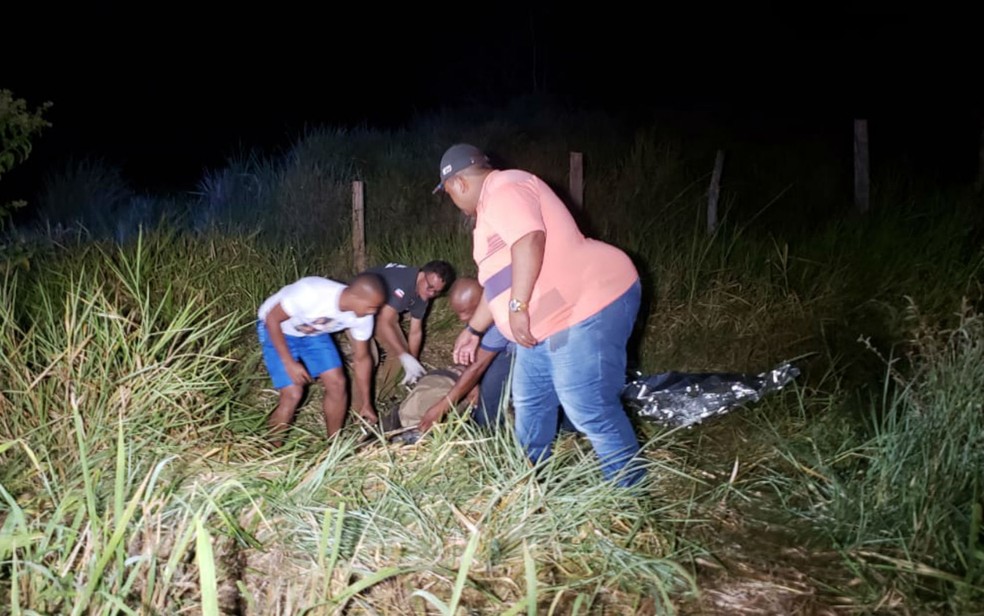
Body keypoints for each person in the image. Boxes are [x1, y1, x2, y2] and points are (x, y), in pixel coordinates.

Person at [433, 143, 646, 487]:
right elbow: (498, 282)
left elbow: (529, 240)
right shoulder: (489, 212)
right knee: (531, 407)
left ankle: (630, 495)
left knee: (586, 404)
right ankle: (532, 487)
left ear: (457, 184)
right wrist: (473, 330)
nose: (453, 201)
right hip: (543, 324)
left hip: (587, 302)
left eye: (448, 194)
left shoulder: (505, 187)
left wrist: (518, 307)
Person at [257, 272, 385, 447]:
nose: (375, 312)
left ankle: (333, 447)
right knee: (293, 393)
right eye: (372, 307)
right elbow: (272, 319)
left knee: (338, 383)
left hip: (313, 332)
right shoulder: (311, 292)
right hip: (277, 328)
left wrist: (366, 402)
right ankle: (270, 450)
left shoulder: (363, 317)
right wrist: (289, 363)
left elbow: (362, 359)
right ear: (355, 296)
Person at [361, 261, 455, 389]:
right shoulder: (403, 282)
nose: (432, 294)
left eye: (437, 292)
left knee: (400, 357)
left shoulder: (423, 293)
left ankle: (384, 393)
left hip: (379, 310)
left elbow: (415, 331)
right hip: (356, 307)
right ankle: (360, 406)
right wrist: (404, 355)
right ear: (422, 275)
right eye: (430, 288)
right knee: (370, 356)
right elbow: (385, 321)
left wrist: (413, 362)